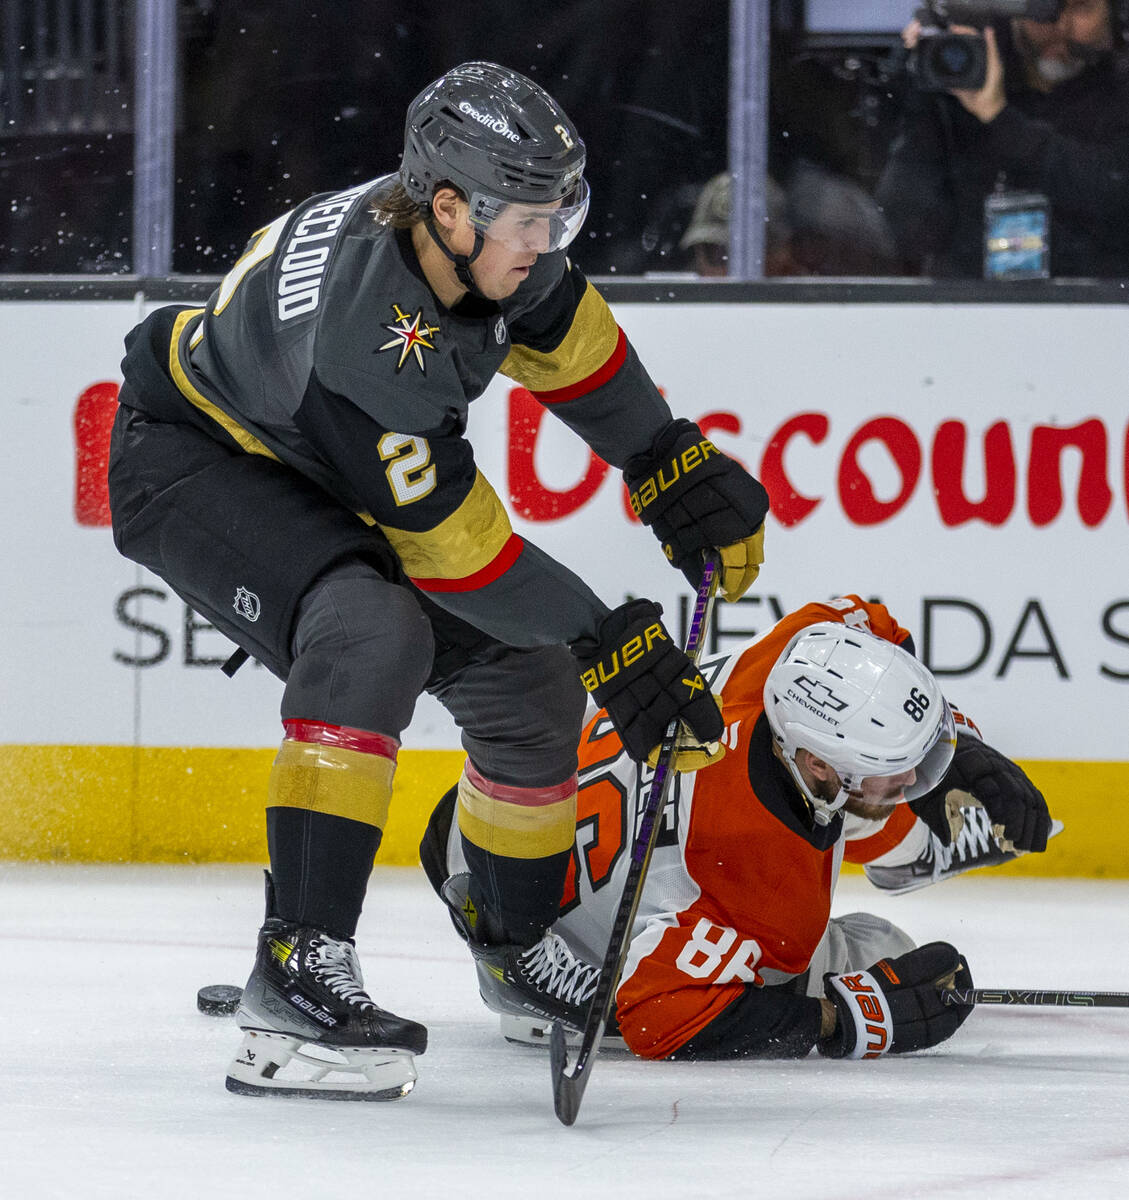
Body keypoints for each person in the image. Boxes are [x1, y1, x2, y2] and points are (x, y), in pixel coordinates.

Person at [106, 62, 769, 1099]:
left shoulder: (484, 232)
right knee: (373, 629)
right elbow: (456, 551)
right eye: (531, 224)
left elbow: (573, 340)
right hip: (195, 462)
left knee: (528, 682)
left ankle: (514, 945)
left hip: (314, 460)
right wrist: (613, 640)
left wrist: (664, 455)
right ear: (451, 209)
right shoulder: (366, 338)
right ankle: (294, 969)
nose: (546, 245)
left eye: (563, 216)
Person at [422, 594, 1057, 1061]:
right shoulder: (766, 899)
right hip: (551, 941)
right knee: (880, 949)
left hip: (485, 828)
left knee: (861, 820)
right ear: (815, 762)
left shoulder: (790, 659)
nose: (920, 778)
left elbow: (872, 629)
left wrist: (965, 747)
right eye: (898, 769)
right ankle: (915, 853)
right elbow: (653, 1015)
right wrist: (845, 1020)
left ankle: (909, 846)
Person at [876, 0, 1129, 278]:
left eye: (1081, 8)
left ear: (1114, 13)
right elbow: (902, 220)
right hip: (965, 305)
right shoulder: (960, 75)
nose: (1060, 26)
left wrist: (1001, 119)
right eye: (1043, 7)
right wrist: (922, 75)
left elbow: (1113, 196)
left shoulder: (1120, 91)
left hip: (1094, 306)